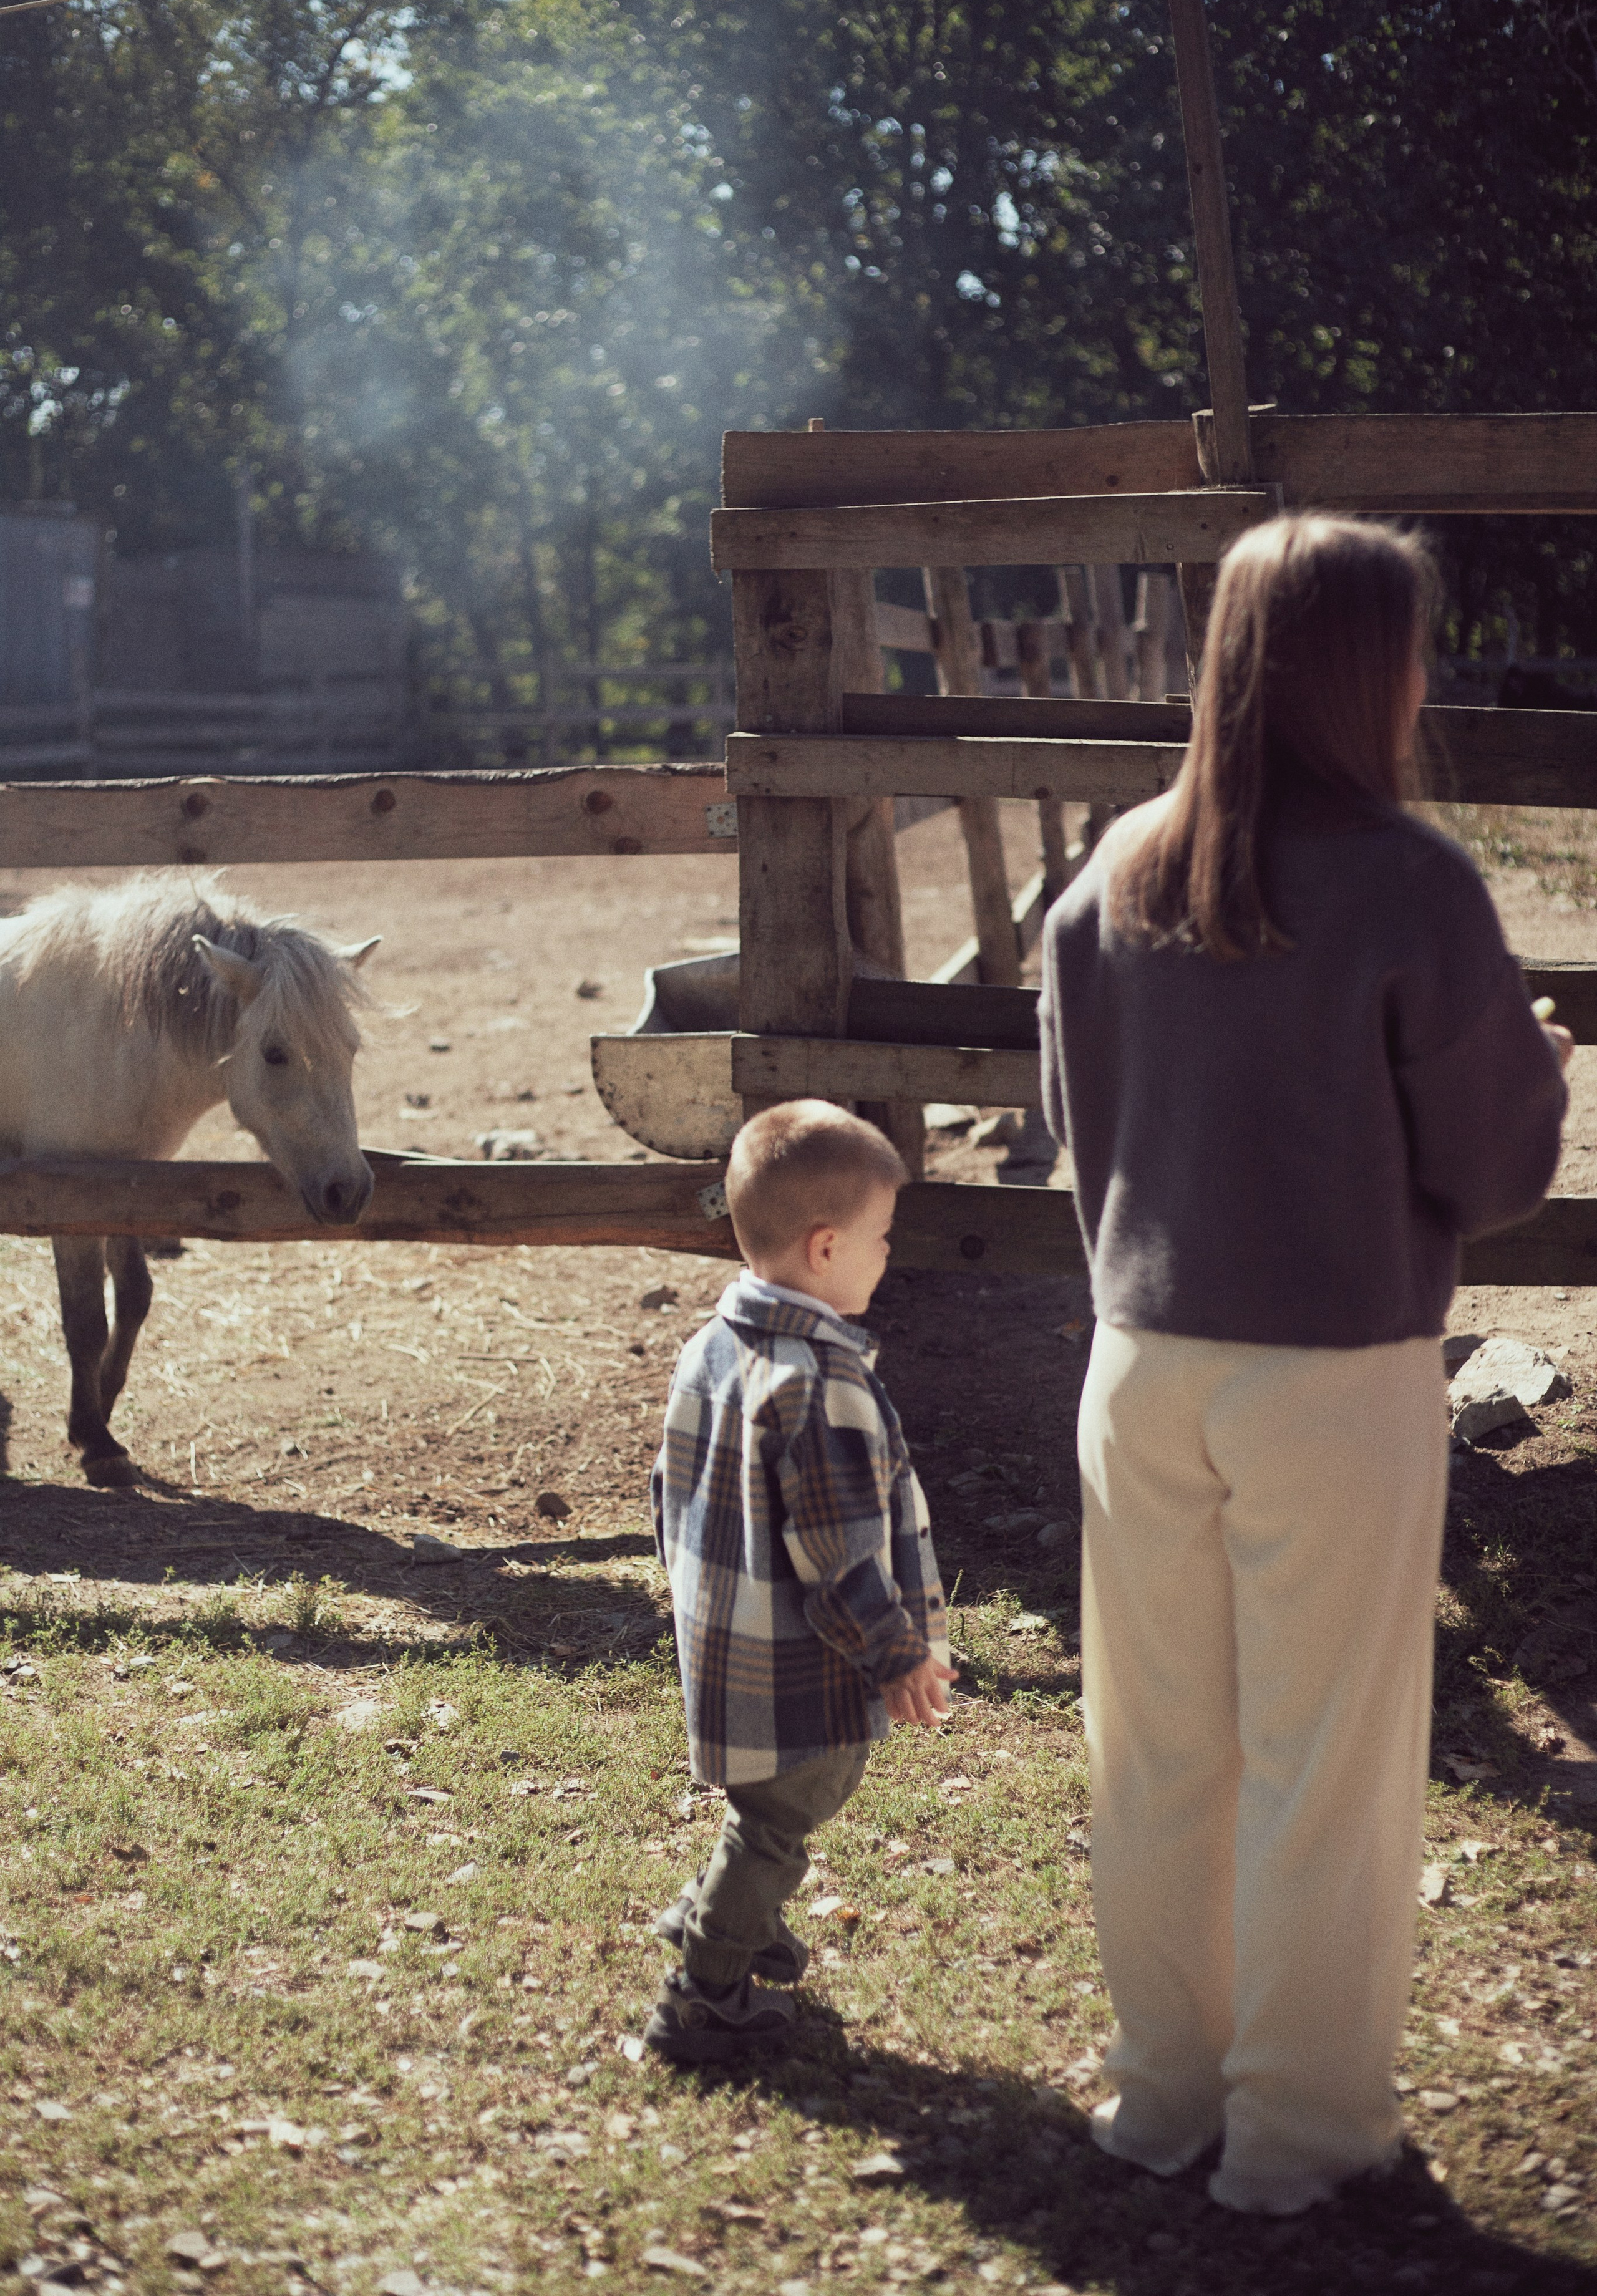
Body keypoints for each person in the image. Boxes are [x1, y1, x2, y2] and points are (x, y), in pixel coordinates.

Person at [1038, 514, 1568, 2215]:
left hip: (1139, 1358)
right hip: (1335, 1367)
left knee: (1157, 1745)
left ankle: (1161, 2096)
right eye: (1410, 651)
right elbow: (1493, 1173)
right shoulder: (1416, 885)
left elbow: (1084, 1140)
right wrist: (1537, 1065)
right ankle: (1295, 2135)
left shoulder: (1113, 873)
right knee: (1323, 1760)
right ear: (1367, 670)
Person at [644, 1098, 955, 2065]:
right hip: (801, 1674)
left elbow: (665, 1496)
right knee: (778, 1825)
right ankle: (705, 1989)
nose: (889, 1256)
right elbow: (840, 1554)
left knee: (762, 1816)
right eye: (882, 1238)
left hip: (728, 1647)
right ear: (826, 1249)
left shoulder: (712, 1347)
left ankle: (728, 1921)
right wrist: (898, 1653)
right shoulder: (819, 1387)